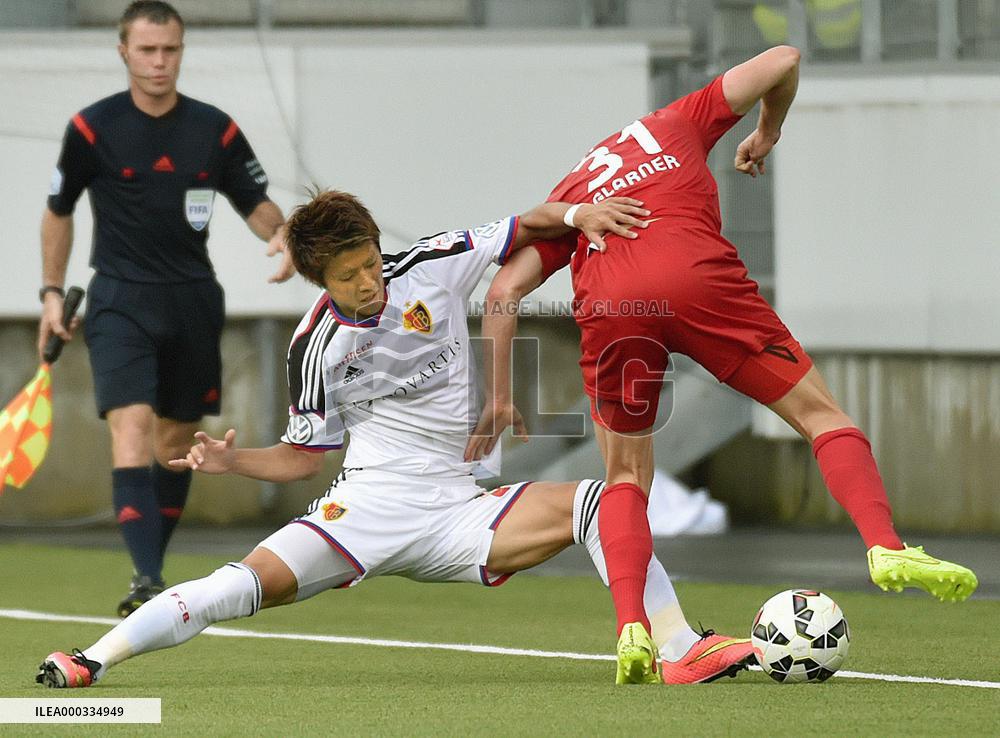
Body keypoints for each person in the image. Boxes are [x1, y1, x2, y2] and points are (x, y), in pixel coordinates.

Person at [35, 190, 754, 689]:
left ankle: (669, 647)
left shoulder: (433, 265)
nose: (369, 282)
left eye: (372, 262)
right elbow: (300, 458)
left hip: (459, 510)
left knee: (607, 500)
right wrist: (232, 460)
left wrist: (576, 212)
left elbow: (525, 226)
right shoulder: (312, 350)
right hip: (367, 514)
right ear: (317, 280)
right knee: (238, 588)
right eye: (348, 276)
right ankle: (90, 661)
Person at [465, 45, 979, 684]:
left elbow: (501, 292)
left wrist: (497, 393)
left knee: (625, 478)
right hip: (698, 283)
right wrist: (767, 131)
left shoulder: (571, 197)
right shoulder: (677, 121)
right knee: (821, 417)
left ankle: (633, 623)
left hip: (619, 305)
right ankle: (884, 545)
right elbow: (784, 57)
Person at [38, 1, 292, 617]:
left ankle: (151, 564)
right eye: (147, 50)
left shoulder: (215, 130)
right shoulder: (92, 128)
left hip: (192, 302)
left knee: (175, 441)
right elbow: (59, 210)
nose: (159, 62)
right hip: (119, 299)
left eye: (170, 49)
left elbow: (256, 203)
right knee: (129, 424)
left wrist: (283, 236)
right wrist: (51, 293)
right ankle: (147, 579)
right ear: (123, 51)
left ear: (182, 50)